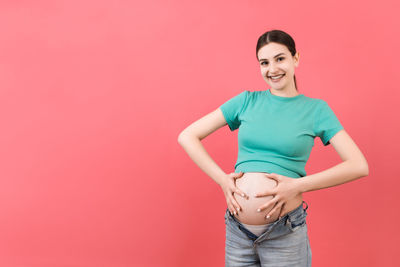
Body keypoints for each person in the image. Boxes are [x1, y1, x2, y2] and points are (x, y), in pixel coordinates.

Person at [177, 29, 369, 267]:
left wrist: (297, 185)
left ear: (295, 58)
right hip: (238, 233)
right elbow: (188, 136)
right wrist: (222, 180)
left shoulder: (316, 110)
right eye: (264, 63)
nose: (272, 69)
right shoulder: (246, 101)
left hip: (284, 233)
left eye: (280, 59)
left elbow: (359, 165)